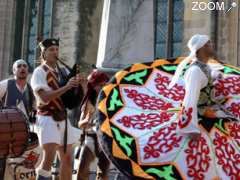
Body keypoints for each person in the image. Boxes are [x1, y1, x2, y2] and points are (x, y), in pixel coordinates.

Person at [31, 38, 84, 180]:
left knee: (67, 160)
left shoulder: (63, 70)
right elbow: (44, 98)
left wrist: (80, 86)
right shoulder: (39, 72)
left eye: (56, 49)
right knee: (48, 160)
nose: (55, 52)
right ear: (43, 53)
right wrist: (66, 86)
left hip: (63, 118)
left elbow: (70, 101)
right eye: (51, 50)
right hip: (47, 118)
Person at [0, 59, 35, 180]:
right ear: (14, 70)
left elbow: (33, 111)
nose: (22, 68)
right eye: (19, 66)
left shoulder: (30, 90)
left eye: (25, 66)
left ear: (28, 70)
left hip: (22, 134)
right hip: (4, 132)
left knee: (19, 166)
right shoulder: (6, 85)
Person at [77, 69, 110, 180]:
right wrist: (86, 121)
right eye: (99, 85)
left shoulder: (111, 101)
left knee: (102, 174)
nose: (102, 87)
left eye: (104, 84)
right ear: (93, 86)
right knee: (81, 171)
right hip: (90, 139)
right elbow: (80, 124)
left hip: (105, 140)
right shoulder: (89, 102)